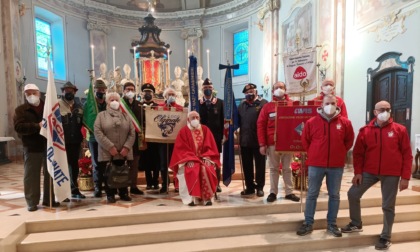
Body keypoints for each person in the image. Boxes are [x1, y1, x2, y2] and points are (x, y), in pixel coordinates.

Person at [341, 100, 412, 250]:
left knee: (388, 205)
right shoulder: (365, 131)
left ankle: (385, 237)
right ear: (375, 112)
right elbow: (358, 154)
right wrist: (358, 172)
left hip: (391, 173)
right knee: (353, 194)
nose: (384, 112)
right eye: (381, 109)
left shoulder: (400, 130)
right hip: (369, 171)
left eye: (387, 109)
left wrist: (405, 177)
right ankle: (356, 223)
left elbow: (407, 154)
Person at [296, 94, 354, 237]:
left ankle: (332, 224)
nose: (330, 105)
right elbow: (305, 141)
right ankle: (308, 223)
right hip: (316, 164)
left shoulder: (345, 123)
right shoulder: (311, 122)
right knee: (312, 194)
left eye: (333, 103)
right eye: (327, 103)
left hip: (336, 165)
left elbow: (349, 141)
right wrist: (314, 153)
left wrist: (339, 153)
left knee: (334, 195)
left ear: (337, 105)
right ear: (321, 105)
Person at [14, 83, 59, 211]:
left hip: (48, 145)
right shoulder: (20, 110)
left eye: (34, 93)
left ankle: (48, 199)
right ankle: (32, 202)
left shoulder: (48, 107)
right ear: (25, 95)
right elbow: (19, 127)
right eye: (29, 94)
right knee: (31, 175)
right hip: (32, 146)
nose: (32, 96)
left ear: (39, 93)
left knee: (49, 173)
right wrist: (36, 126)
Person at [257, 81, 300, 202]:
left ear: (285, 89)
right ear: (272, 91)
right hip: (272, 143)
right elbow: (260, 125)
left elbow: (299, 122)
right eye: (276, 88)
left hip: (288, 142)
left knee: (287, 168)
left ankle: (289, 192)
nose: (279, 89)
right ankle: (273, 192)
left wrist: (298, 143)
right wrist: (262, 144)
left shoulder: (292, 104)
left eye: (281, 87)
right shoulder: (268, 107)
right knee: (273, 169)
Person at [169, 111, 220, 206]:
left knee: (206, 168)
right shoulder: (183, 131)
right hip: (189, 159)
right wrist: (189, 159)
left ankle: (207, 198)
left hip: (204, 158)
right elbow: (181, 149)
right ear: (188, 120)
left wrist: (207, 157)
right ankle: (192, 198)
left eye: (197, 117)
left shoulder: (205, 129)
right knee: (192, 169)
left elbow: (210, 146)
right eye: (193, 118)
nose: (195, 119)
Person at [94, 92, 136, 203]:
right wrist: (110, 147)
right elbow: (97, 132)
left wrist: (126, 147)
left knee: (123, 172)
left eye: (116, 100)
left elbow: (132, 133)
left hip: (124, 152)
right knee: (108, 173)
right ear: (107, 102)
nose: (114, 102)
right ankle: (110, 194)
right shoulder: (101, 115)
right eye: (111, 100)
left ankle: (123, 193)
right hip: (107, 152)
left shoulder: (126, 116)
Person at [237, 83, 268, 197]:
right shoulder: (241, 105)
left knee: (260, 166)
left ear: (256, 91)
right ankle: (249, 187)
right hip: (245, 141)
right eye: (247, 93)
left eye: (251, 91)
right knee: (247, 166)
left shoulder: (264, 103)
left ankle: (260, 187)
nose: (249, 94)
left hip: (259, 141)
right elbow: (237, 121)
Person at [58, 81, 85, 199]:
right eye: (66, 91)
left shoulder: (79, 106)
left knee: (74, 165)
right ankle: (62, 190)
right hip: (61, 142)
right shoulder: (57, 105)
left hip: (75, 141)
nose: (69, 92)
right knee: (62, 165)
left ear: (75, 92)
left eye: (71, 91)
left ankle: (74, 189)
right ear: (62, 92)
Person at [198, 78, 224, 192]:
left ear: (213, 89)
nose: (207, 90)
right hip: (201, 137)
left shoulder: (220, 103)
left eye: (209, 88)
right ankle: (202, 181)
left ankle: (217, 183)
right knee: (201, 160)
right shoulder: (198, 103)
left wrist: (224, 135)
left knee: (216, 161)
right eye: (205, 88)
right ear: (202, 90)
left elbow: (224, 120)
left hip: (215, 137)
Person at [158, 87, 184, 193]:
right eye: (169, 94)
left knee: (177, 163)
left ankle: (177, 184)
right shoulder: (159, 107)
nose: (171, 96)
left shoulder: (180, 108)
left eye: (173, 94)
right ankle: (165, 183)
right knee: (163, 163)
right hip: (163, 140)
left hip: (176, 141)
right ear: (165, 96)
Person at [85, 79, 108, 197]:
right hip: (93, 138)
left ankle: (106, 184)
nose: (101, 91)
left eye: (103, 90)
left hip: (106, 138)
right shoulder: (90, 105)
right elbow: (86, 119)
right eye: (98, 90)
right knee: (96, 163)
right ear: (94, 91)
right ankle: (97, 186)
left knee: (105, 162)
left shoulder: (108, 104)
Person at [121, 80, 144, 195]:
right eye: (128, 90)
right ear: (123, 91)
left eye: (132, 90)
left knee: (134, 164)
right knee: (123, 164)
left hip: (135, 140)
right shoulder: (120, 104)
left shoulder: (139, 105)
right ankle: (122, 187)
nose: (130, 92)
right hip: (122, 139)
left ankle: (133, 186)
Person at [139, 83, 160, 190]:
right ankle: (148, 181)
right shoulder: (139, 106)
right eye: (145, 92)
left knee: (156, 159)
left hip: (155, 137)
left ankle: (155, 181)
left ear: (153, 94)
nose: (147, 94)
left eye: (150, 92)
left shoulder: (158, 107)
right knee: (146, 160)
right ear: (142, 93)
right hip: (144, 137)